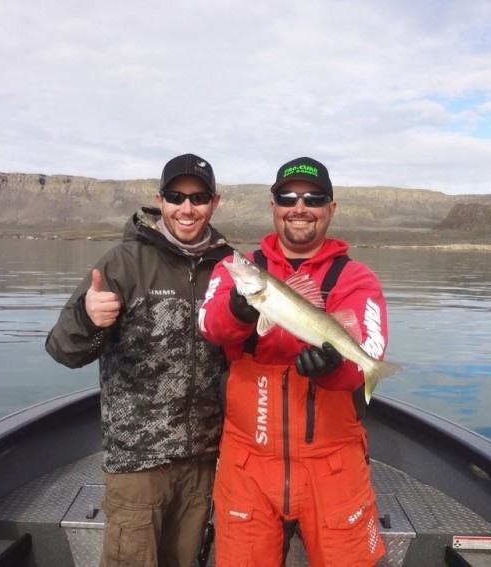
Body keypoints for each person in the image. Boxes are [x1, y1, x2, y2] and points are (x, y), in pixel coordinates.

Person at [200, 157, 390, 566]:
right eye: (287, 197)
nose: (299, 207)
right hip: (247, 464)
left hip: (334, 466)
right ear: (273, 206)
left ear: (330, 209)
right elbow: (210, 326)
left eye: (313, 199)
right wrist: (237, 310)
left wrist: (335, 369)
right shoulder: (238, 269)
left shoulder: (357, 278)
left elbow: (369, 353)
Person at [46, 153, 234, 567]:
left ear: (214, 202)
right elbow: (62, 349)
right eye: (176, 197)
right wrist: (87, 319)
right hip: (137, 463)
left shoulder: (231, 268)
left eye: (199, 198)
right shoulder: (122, 262)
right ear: (160, 199)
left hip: (204, 461)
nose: (187, 208)